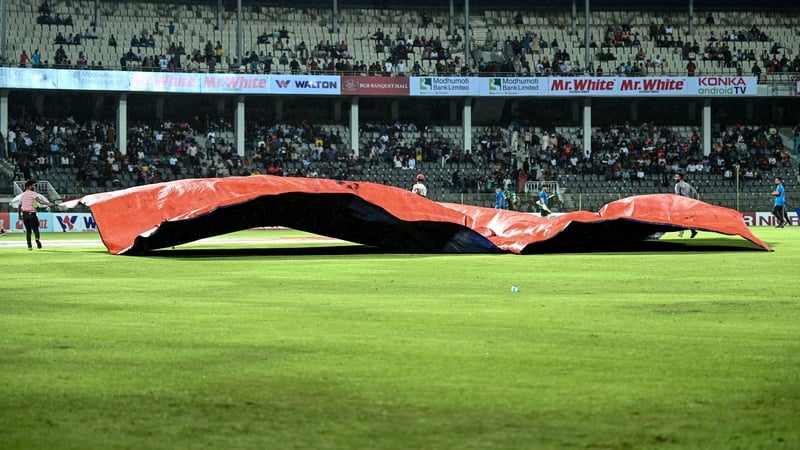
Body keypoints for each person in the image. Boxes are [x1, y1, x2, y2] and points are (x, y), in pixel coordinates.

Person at [18, 179, 54, 250]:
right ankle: (37, 239)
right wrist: (48, 203)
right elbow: (40, 201)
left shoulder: (22, 195)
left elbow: (19, 206)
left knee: (28, 231)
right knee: (35, 229)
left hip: (24, 214)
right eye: (33, 185)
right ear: (29, 186)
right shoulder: (33, 193)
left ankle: (29, 246)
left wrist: (19, 215)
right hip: (32, 213)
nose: (35, 187)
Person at [674, 172, 699, 237]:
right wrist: (696, 201)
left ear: (680, 178)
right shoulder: (688, 185)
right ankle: (693, 231)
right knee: (687, 217)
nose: (675, 178)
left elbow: (677, 195)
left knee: (680, 217)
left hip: (682, 203)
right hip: (688, 203)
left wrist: (676, 204)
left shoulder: (678, 185)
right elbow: (695, 192)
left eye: (676, 177)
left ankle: (681, 233)